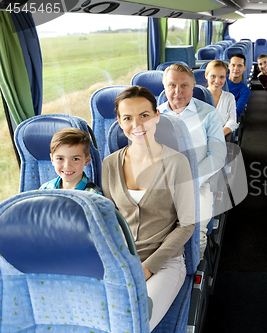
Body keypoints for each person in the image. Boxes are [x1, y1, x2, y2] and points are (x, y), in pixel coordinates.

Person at [101, 86, 195, 331]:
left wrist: (147, 267)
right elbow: (109, 221)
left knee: (135, 322)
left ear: (156, 116)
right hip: (120, 261)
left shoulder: (177, 163)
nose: (137, 125)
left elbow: (186, 225)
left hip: (164, 263)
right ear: (119, 122)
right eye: (128, 118)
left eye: (144, 115)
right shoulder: (109, 164)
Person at [158, 63, 227, 255]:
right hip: (161, 182)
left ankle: (195, 269)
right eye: (172, 85)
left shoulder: (209, 114)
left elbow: (217, 156)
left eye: (184, 86)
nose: (177, 91)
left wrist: (189, 182)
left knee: (196, 231)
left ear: (193, 85)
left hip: (198, 182)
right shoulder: (154, 116)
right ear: (164, 86)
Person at [40, 128, 102, 195]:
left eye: (75, 159)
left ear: (86, 160)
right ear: (52, 160)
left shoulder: (95, 196)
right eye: (60, 158)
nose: (67, 165)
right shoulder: (45, 190)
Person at [205, 60, 239, 137]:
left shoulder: (229, 97)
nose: (217, 81)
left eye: (221, 77)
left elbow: (232, 121)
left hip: (221, 138)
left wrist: (219, 135)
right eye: (213, 76)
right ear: (206, 76)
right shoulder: (198, 97)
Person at [227, 53, 251, 119]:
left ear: (244, 67)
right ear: (229, 66)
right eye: (233, 65)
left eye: (239, 66)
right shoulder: (219, 80)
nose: (236, 68)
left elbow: (236, 113)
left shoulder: (245, 90)